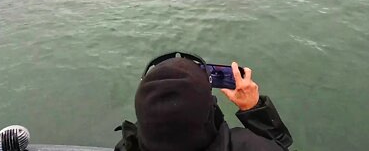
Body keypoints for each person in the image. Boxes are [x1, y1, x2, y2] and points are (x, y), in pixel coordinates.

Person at [114, 52, 293, 151]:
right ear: (211, 109)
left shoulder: (127, 145)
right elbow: (279, 146)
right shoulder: (245, 146)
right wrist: (253, 108)